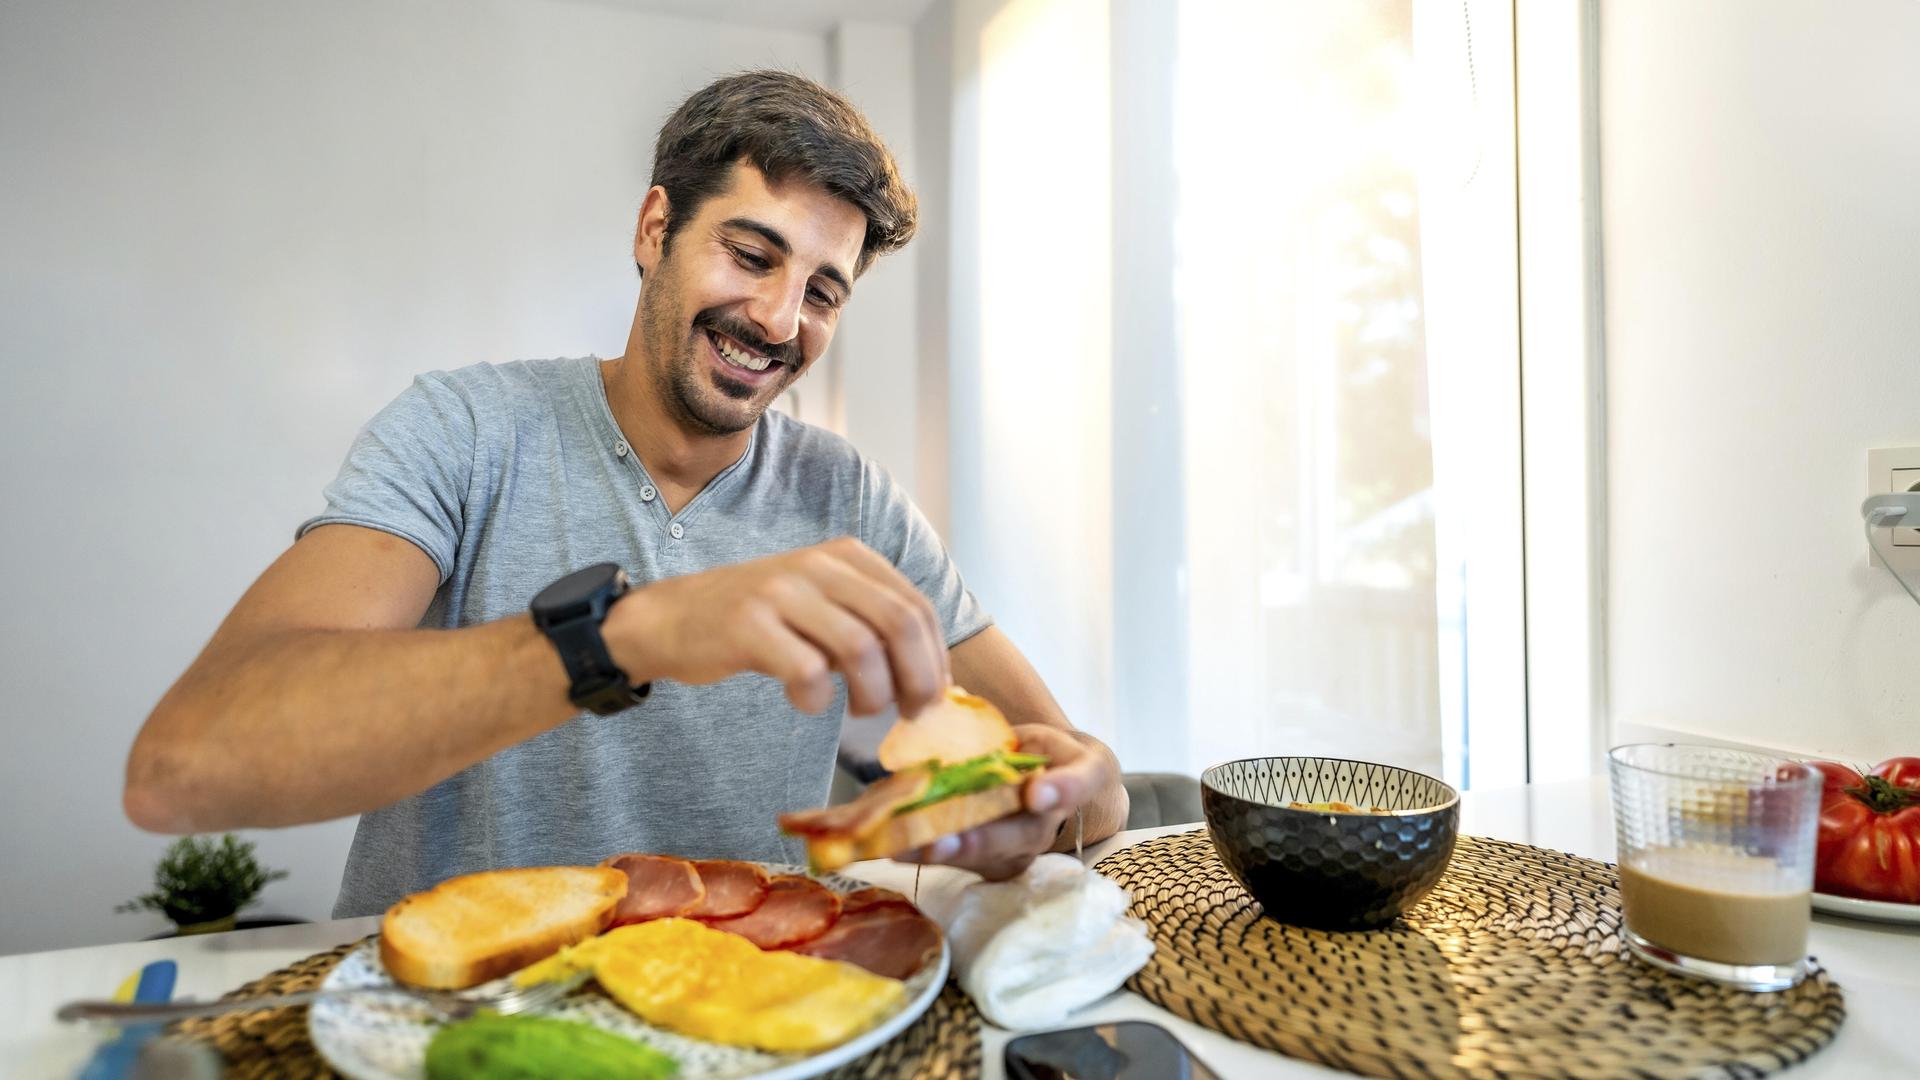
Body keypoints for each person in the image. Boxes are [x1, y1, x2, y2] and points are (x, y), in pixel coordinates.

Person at [122, 70, 1127, 917]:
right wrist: (626, 633)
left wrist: (1050, 803)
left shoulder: (850, 495)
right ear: (656, 230)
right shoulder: (466, 431)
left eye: (823, 292)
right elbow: (185, 762)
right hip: (440, 1020)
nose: (779, 319)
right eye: (751, 254)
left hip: (732, 1017)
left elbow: (1093, 787)